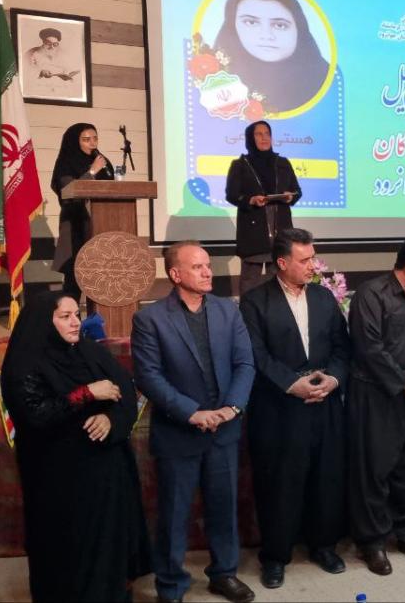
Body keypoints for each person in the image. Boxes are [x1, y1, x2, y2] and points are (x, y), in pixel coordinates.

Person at [0, 291, 151, 602]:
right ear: (45, 322)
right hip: (58, 480)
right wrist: (87, 393)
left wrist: (111, 419)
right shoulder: (24, 362)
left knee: (109, 547)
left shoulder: (89, 351)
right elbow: (36, 415)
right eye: (65, 316)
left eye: (76, 315)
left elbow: (124, 390)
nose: (75, 322)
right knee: (67, 554)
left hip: (106, 475)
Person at [132, 241, 256, 603]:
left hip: (224, 429)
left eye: (208, 265)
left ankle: (224, 574)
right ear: (175, 274)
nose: (207, 272)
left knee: (223, 508)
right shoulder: (150, 319)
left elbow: (244, 363)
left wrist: (232, 408)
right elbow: (149, 376)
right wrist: (191, 412)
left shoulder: (228, 310)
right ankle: (171, 585)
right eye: (198, 267)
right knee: (174, 514)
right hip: (178, 432)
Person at [239, 228, 351, 589]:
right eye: (304, 260)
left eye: (313, 257)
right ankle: (275, 556)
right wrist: (291, 384)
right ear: (282, 263)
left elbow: (342, 347)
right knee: (279, 482)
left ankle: (323, 546)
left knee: (326, 477)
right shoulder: (255, 301)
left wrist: (334, 379)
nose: (312, 265)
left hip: (325, 403)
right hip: (280, 407)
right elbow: (256, 354)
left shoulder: (323, 297)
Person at [345, 238, 405, 576]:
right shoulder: (371, 294)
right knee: (374, 470)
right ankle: (372, 543)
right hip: (376, 394)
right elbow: (369, 349)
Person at [213, 0, 330, 112]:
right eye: (251, 22)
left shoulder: (328, 79)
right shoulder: (211, 78)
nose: (267, 35)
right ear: (232, 27)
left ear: (299, 29)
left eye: (280, 25)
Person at [225, 120, 302, 295]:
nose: (264, 138)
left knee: (280, 280)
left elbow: (297, 191)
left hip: (280, 229)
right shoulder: (240, 165)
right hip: (254, 232)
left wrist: (291, 196)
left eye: (267, 134)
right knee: (250, 282)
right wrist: (250, 200)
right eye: (259, 134)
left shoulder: (282, 163)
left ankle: (277, 309)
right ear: (250, 138)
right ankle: (248, 311)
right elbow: (232, 194)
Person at [50, 123, 114, 299]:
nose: (92, 143)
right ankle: (71, 312)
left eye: (95, 138)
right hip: (76, 224)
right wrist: (92, 171)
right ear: (75, 141)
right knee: (75, 274)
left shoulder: (103, 162)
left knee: (103, 274)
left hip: (101, 225)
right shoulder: (66, 162)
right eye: (86, 140)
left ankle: (99, 314)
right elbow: (68, 191)